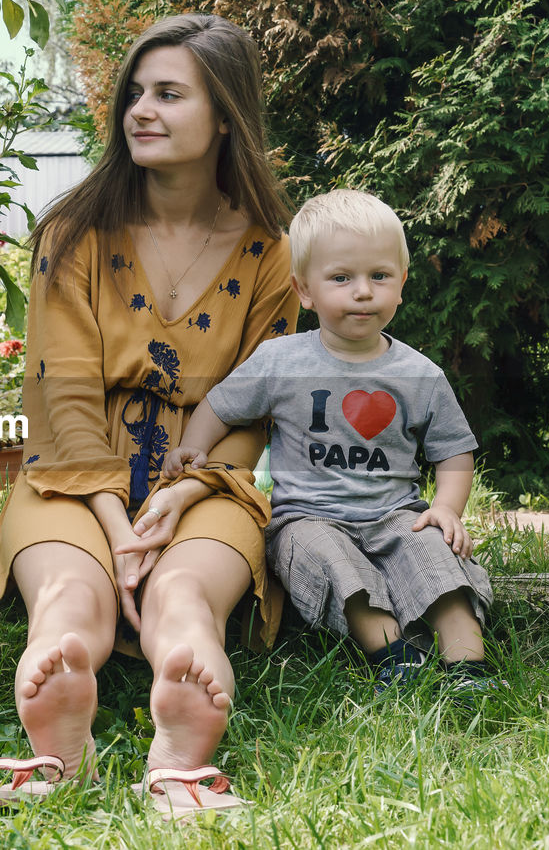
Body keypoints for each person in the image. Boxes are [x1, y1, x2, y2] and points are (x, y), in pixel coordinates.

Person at [0, 14, 299, 811]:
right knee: (67, 598)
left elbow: (259, 401)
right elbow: (64, 392)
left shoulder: (273, 253)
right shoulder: (74, 231)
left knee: (185, 595)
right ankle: (60, 722)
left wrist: (188, 491)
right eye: (135, 94)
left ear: (225, 114)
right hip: (71, 478)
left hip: (207, 481)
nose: (139, 111)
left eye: (168, 94)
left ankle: (180, 729)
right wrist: (118, 524)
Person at [163, 189, 498, 693]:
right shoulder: (282, 362)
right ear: (304, 290)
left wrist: (447, 509)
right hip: (308, 517)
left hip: (396, 513)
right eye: (341, 278)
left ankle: (468, 664)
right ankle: (393, 651)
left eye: (379, 276)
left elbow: (453, 450)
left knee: (433, 556)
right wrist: (194, 445)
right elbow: (221, 403)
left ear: (401, 284)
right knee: (330, 563)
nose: (362, 291)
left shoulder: (418, 374)